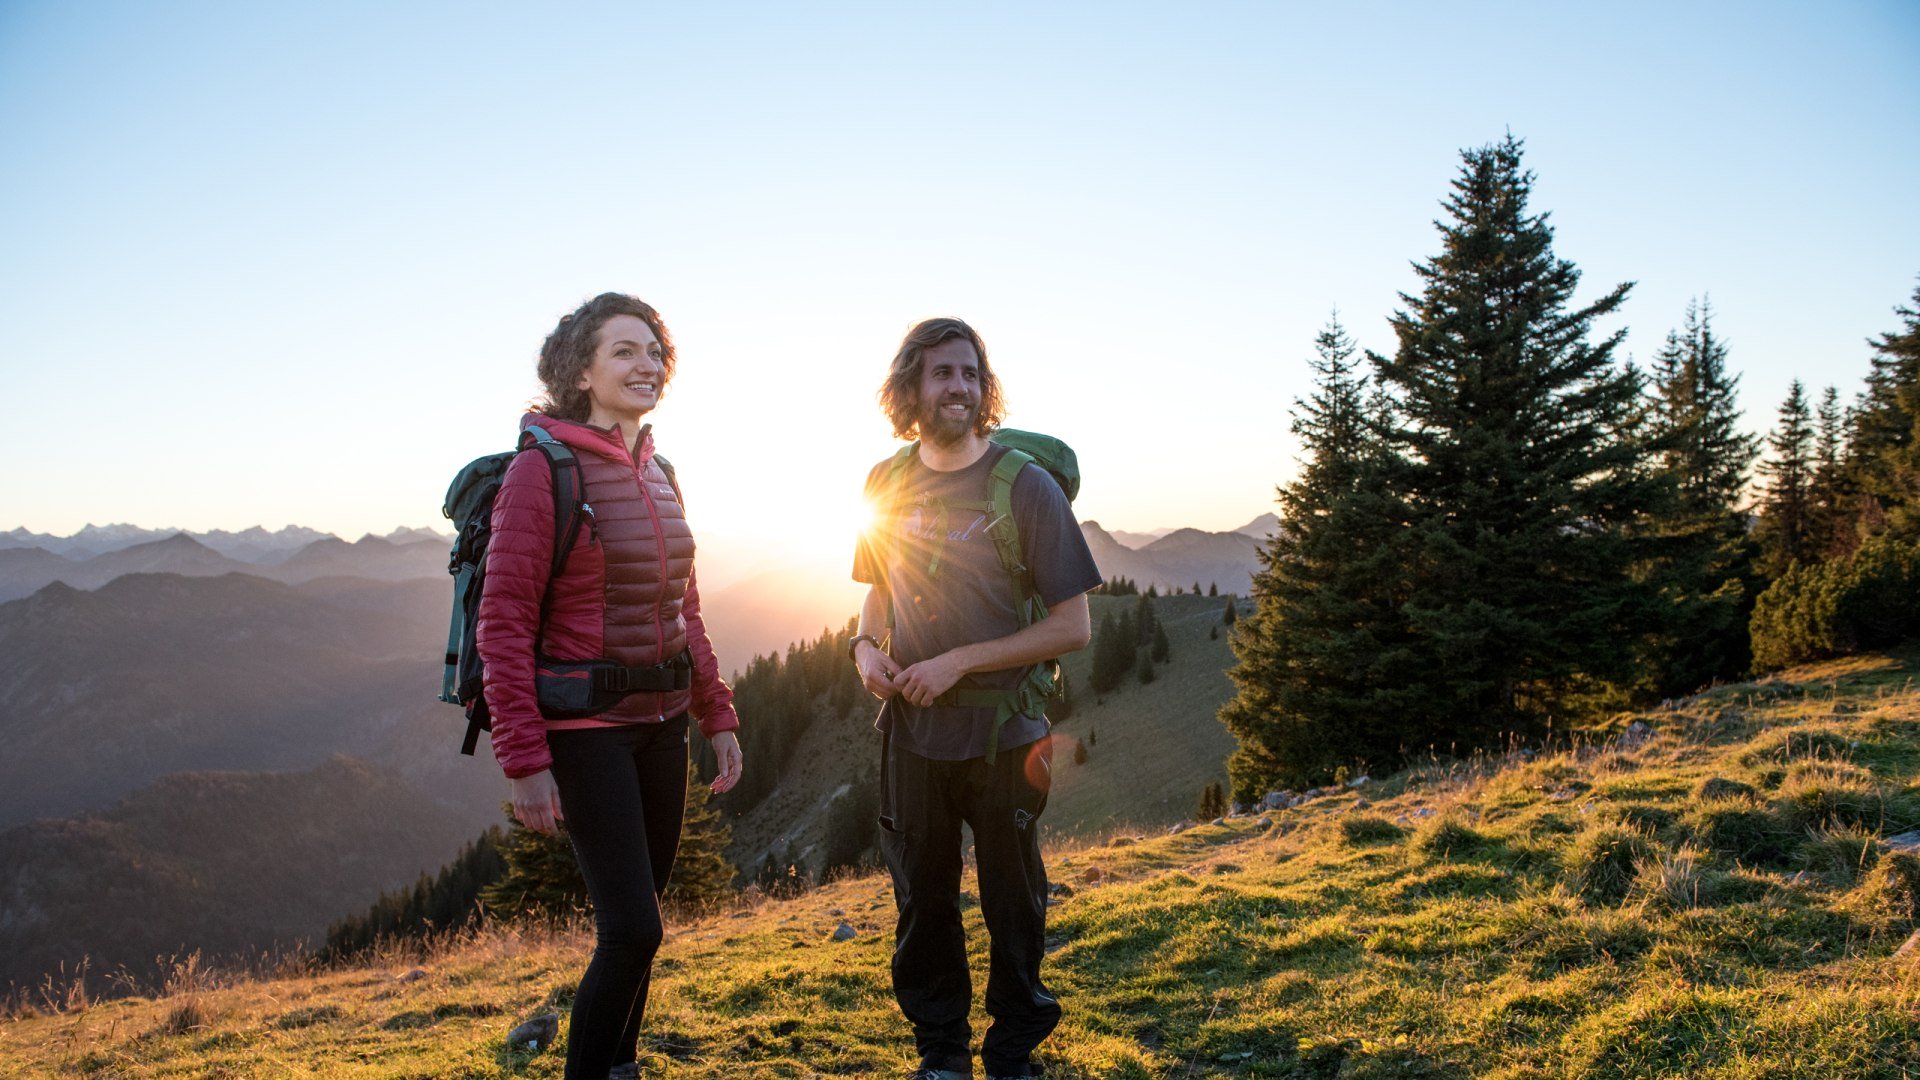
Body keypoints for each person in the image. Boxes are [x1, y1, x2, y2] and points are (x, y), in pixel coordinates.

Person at [477, 292, 743, 1080]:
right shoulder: (541, 471)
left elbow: (682, 607)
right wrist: (524, 762)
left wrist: (716, 711)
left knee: (641, 927)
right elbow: (503, 622)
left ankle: (619, 1066)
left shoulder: (660, 472)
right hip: (586, 731)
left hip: (664, 725)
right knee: (632, 930)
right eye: (625, 351)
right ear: (580, 370)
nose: (647, 365)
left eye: (655, 351)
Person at [850, 318, 1101, 1080]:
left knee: (1013, 899)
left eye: (969, 373)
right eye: (941, 374)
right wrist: (863, 649)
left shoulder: (1024, 485)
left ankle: (1014, 1050)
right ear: (911, 390)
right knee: (923, 901)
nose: (957, 387)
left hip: (1004, 733)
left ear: (983, 389)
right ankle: (942, 1054)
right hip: (913, 734)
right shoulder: (886, 484)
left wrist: (960, 661)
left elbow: (1074, 626)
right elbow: (875, 598)